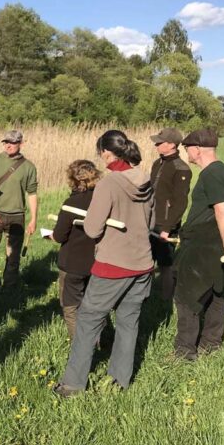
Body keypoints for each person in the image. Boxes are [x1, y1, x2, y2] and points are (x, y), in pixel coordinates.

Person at [55, 130, 154, 396]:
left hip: (114, 264)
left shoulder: (109, 184)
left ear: (107, 153)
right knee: (128, 322)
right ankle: (118, 382)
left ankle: (73, 385)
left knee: (88, 321)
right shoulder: (146, 178)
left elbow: (92, 229)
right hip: (143, 262)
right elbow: (151, 222)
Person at [173, 129, 224, 360]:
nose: (186, 153)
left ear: (196, 149)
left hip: (203, 242)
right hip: (219, 239)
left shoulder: (210, 175)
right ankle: (211, 345)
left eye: (187, 149)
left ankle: (185, 351)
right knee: (217, 291)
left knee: (187, 295)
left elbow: (223, 211)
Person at [0, 129, 39, 289]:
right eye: (6, 142)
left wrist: (33, 219)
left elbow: (32, 194)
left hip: (16, 217)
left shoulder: (29, 167)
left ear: (21, 144)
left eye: (12, 142)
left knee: (13, 257)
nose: (8, 145)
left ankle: (10, 288)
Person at [50, 160, 102, 339]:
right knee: (92, 306)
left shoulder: (71, 203)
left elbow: (59, 236)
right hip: (97, 262)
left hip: (72, 264)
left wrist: (51, 235)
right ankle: (100, 340)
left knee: (71, 308)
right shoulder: (103, 201)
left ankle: (81, 348)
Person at [149, 128, 192, 300]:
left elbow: (180, 202)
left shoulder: (181, 169)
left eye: (160, 142)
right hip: (150, 219)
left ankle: (166, 299)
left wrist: (168, 228)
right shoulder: (157, 163)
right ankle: (147, 295)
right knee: (146, 260)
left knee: (166, 264)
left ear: (172, 145)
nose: (156, 145)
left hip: (166, 224)